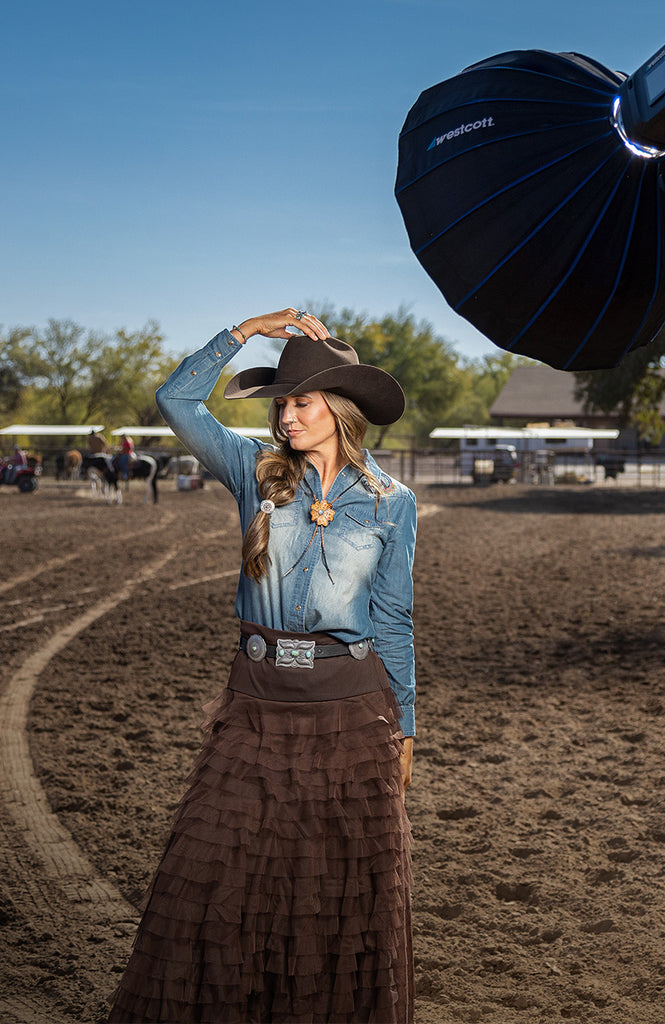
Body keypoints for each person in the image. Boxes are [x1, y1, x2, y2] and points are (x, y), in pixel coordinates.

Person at [108, 307, 418, 1023]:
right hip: (254, 705)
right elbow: (176, 401)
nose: (286, 416)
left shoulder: (391, 503)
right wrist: (243, 331)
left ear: (340, 408)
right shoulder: (254, 471)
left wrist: (405, 727)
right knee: (214, 874)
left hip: (352, 712)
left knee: (335, 887)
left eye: (301, 402)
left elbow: (395, 620)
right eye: (280, 403)